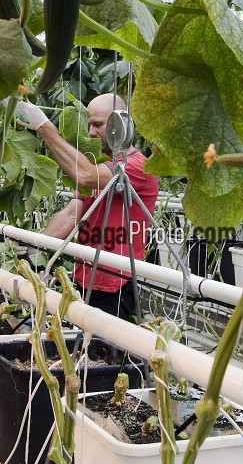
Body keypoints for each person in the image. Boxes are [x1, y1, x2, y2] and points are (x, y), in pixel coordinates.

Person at [16, 94, 159, 322]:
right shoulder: (100, 166)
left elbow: (84, 175)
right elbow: (71, 214)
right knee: (82, 340)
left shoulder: (138, 166)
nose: (91, 132)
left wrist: (44, 127)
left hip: (115, 284)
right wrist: (34, 243)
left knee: (104, 342)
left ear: (120, 124)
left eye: (98, 124)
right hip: (84, 276)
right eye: (89, 125)